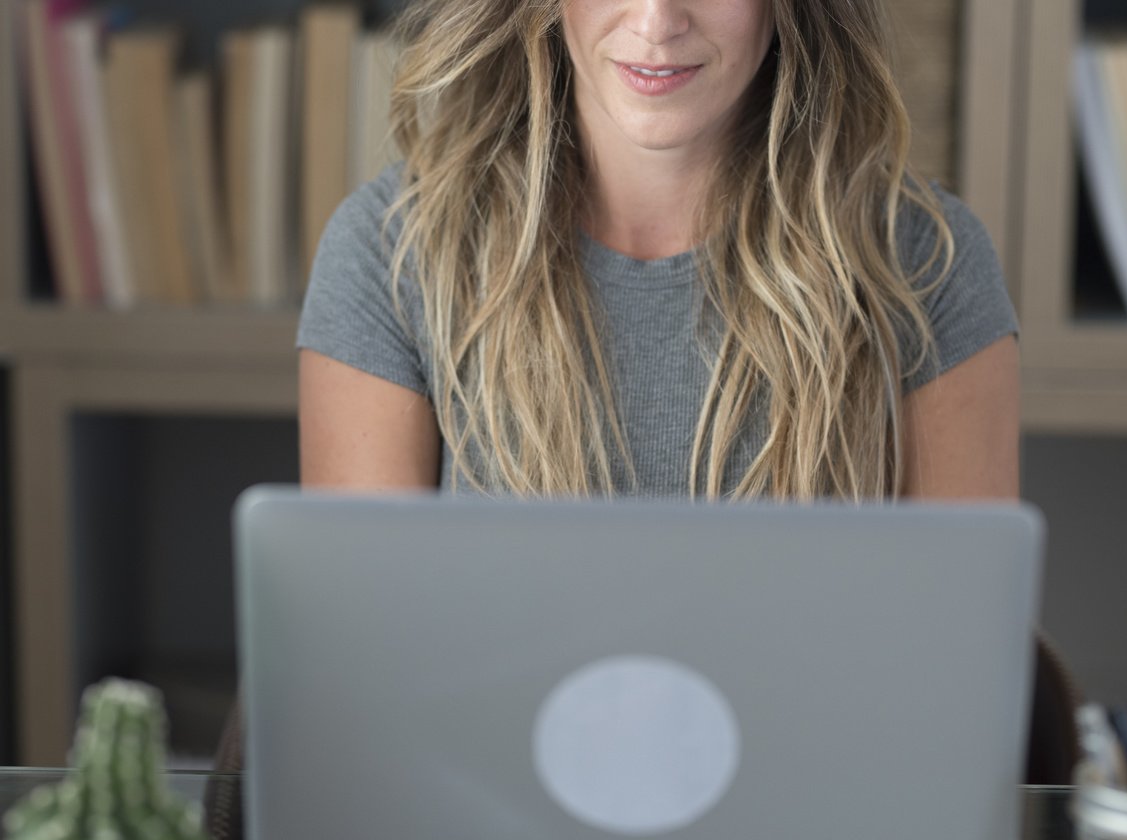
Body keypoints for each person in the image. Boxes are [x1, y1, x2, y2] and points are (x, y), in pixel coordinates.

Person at [296, 0, 1020, 502]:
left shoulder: (928, 267)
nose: (657, 22)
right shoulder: (391, 254)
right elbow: (368, 666)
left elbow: (954, 674)